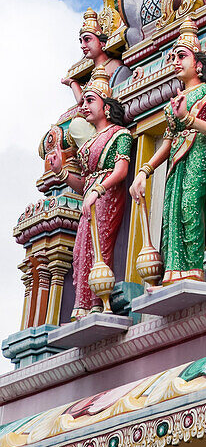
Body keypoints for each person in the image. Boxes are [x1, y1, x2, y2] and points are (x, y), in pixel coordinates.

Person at [129, 19, 206, 285]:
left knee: (189, 206)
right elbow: (168, 142)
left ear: (199, 64)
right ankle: (174, 270)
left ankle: (193, 267)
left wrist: (189, 119)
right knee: (170, 210)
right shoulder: (174, 104)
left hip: (200, 155)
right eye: (172, 57)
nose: (176, 61)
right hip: (177, 161)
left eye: (182, 56)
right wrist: (144, 172)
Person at [50, 68, 132, 318]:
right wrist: (62, 172)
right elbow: (83, 182)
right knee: (80, 252)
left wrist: (98, 189)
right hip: (91, 197)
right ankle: (83, 305)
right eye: (83, 101)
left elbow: (120, 171)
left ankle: (97, 301)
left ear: (106, 106)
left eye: (90, 100)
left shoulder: (120, 134)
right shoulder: (87, 145)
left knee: (100, 247)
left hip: (106, 196)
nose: (84, 106)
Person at [62, 9, 126, 107]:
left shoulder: (114, 65)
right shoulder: (92, 75)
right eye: (81, 41)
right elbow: (82, 102)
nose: (82, 45)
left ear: (102, 43)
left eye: (87, 39)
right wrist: (72, 82)